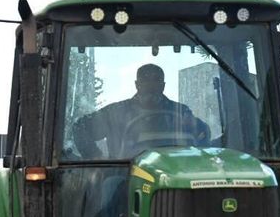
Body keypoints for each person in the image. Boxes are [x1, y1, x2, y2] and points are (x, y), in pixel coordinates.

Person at [72, 63, 210, 158]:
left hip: (172, 175)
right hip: (125, 175)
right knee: (110, 186)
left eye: (156, 81)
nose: (151, 85)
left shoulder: (180, 112)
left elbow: (203, 133)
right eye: (145, 80)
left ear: (163, 85)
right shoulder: (115, 112)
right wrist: (95, 157)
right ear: (137, 84)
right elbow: (80, 128)